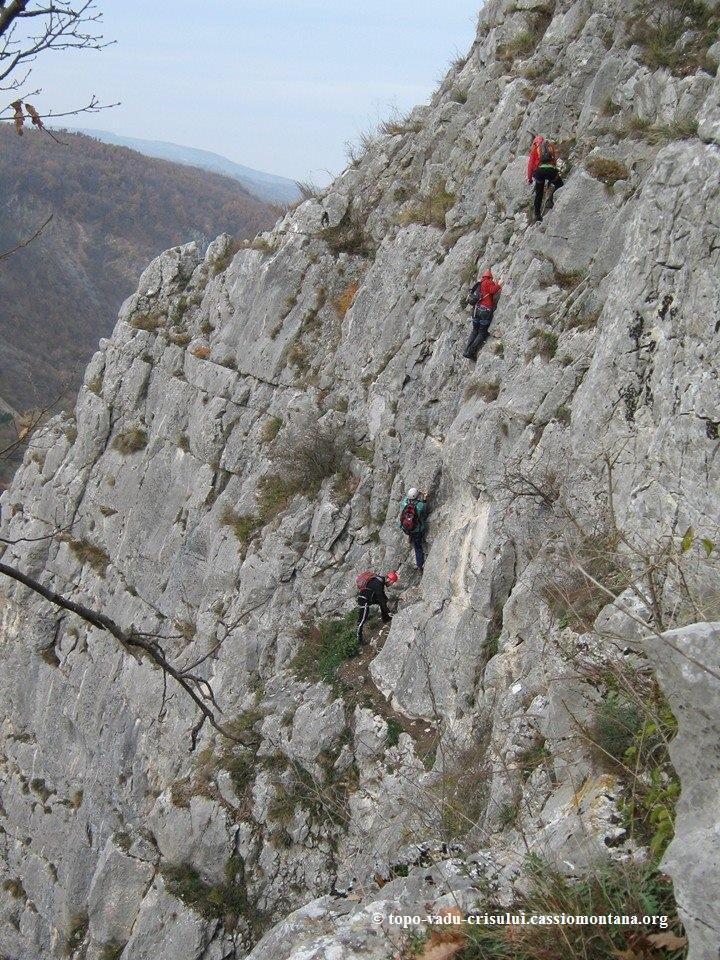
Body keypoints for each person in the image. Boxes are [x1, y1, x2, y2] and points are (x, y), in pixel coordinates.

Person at [463, 268, 502, 360]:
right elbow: (493, 291)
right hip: (485, 311)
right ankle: (471, 352)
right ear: (490, 277)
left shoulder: (479, 284)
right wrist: (499, 284)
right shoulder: (488, 282)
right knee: (482, 332)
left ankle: (466, 350)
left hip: (476, 310)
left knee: (474, 331)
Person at [527, 135, 564, 223]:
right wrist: (553, 170)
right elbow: (554, 160)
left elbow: (530, 165)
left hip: (539, 172)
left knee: (539, 194)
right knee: (560, 185)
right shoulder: (549, 146)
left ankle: (537, 215)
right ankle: (550, 200)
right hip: (550, 170)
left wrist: (530, 178)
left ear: (535, 141)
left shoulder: (535, 149)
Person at [356, 570, 398, 645]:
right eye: (392, 582)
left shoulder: (379, 580)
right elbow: (381, 597)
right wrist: (388, 611)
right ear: (388, 579)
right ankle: (359, 639)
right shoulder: (378, 583)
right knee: (362, 619)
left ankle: (386, 619)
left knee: (383, 602)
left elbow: (382, 596)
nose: (392, 584)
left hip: (369, 597)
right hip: (364, 600)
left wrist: (386, 603)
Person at [399, 488, 428, 571]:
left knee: (411, 533)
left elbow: (406, 498)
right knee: (418, 548)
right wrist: (424, 498)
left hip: (406, 528)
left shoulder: (404, 503)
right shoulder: (420, 505)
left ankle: (409, 537)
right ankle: (420, 565)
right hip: (417, 530)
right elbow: (425, 511)